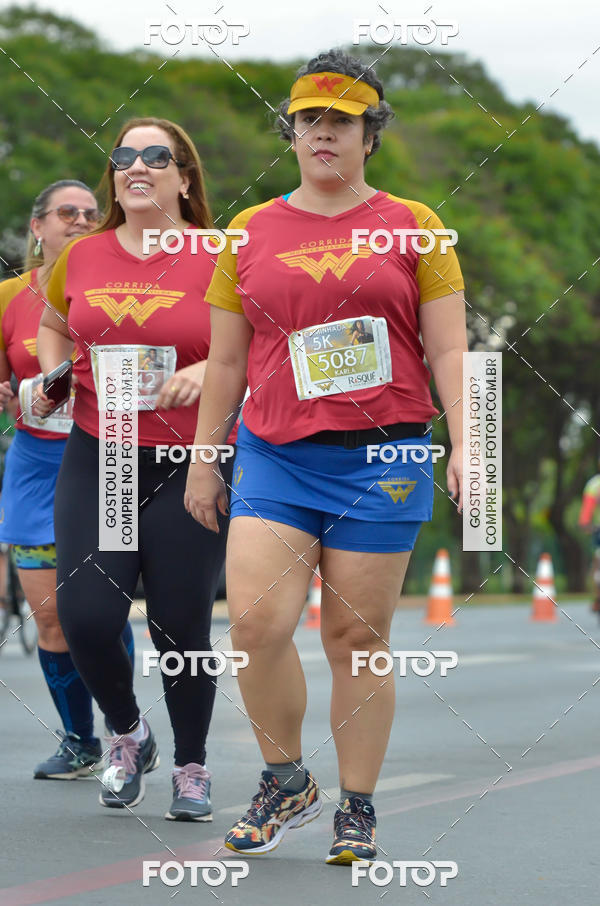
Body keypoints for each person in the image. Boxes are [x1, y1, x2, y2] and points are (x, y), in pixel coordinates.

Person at [185, 49, 466, 864]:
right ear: (293, 131)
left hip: (388, 455)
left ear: (369, 133)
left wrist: (467, 445)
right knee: (254, 623)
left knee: (355, 634)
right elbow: (228, 363)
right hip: (275, 451)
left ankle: (359, 806)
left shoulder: (417, 224)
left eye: (341, 121)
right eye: (309, 120)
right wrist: (206, 460)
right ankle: (284, 778)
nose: (323, 134)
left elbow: (450, 351)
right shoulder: (248, 230)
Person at [35, 118, 231, 819]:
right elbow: (54, 320)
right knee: (85, 617)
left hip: (190, 460)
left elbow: (263, 344)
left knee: (180, 623)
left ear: (185, 176)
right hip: (103, 450)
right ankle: (126, 732)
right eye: (124, 155)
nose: (137, 165)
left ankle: (192, 765)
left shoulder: (219, 253)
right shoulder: (83, 256)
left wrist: (208, 369)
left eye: (157, 155)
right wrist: (54, 369)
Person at [0, 180, 135, 779]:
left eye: (89, 212)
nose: (80, 220)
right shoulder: (8, 296)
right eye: (66, 213)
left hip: (110, 458)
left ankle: (126, 735)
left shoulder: (120, 286)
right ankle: (80, 739)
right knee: (50, 615)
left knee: (101, 613)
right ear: (38, 227)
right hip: (35, 466)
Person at [578, 459, 600, 615]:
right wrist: (586, 523)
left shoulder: (594, 484)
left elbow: (587, 510)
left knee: (597, 563)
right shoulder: (594, 485)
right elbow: (588, 508)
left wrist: (585, 523)